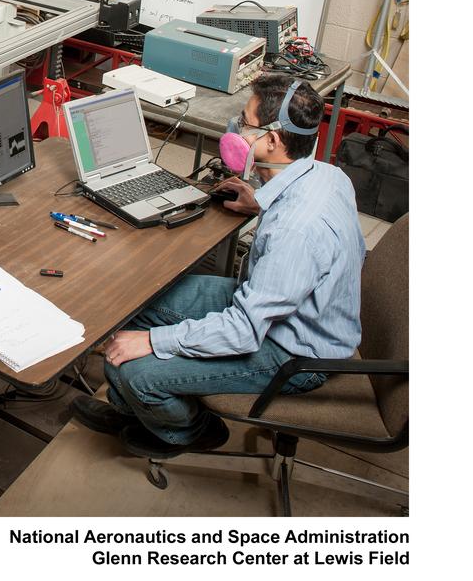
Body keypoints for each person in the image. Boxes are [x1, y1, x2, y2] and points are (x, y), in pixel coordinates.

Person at [69, 74, 367, 458]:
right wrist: (260, 202)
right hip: (283, 312)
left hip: (293, 352)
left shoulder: (296, 231)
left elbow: (244, 331)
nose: (235, 128)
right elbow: (314, 239)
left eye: (245, 123)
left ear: (273, 141)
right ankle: (138, 412)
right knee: (140, 302)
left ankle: (191, 429)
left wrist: (154, 341)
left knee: (134, 371)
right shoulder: (327, 174)